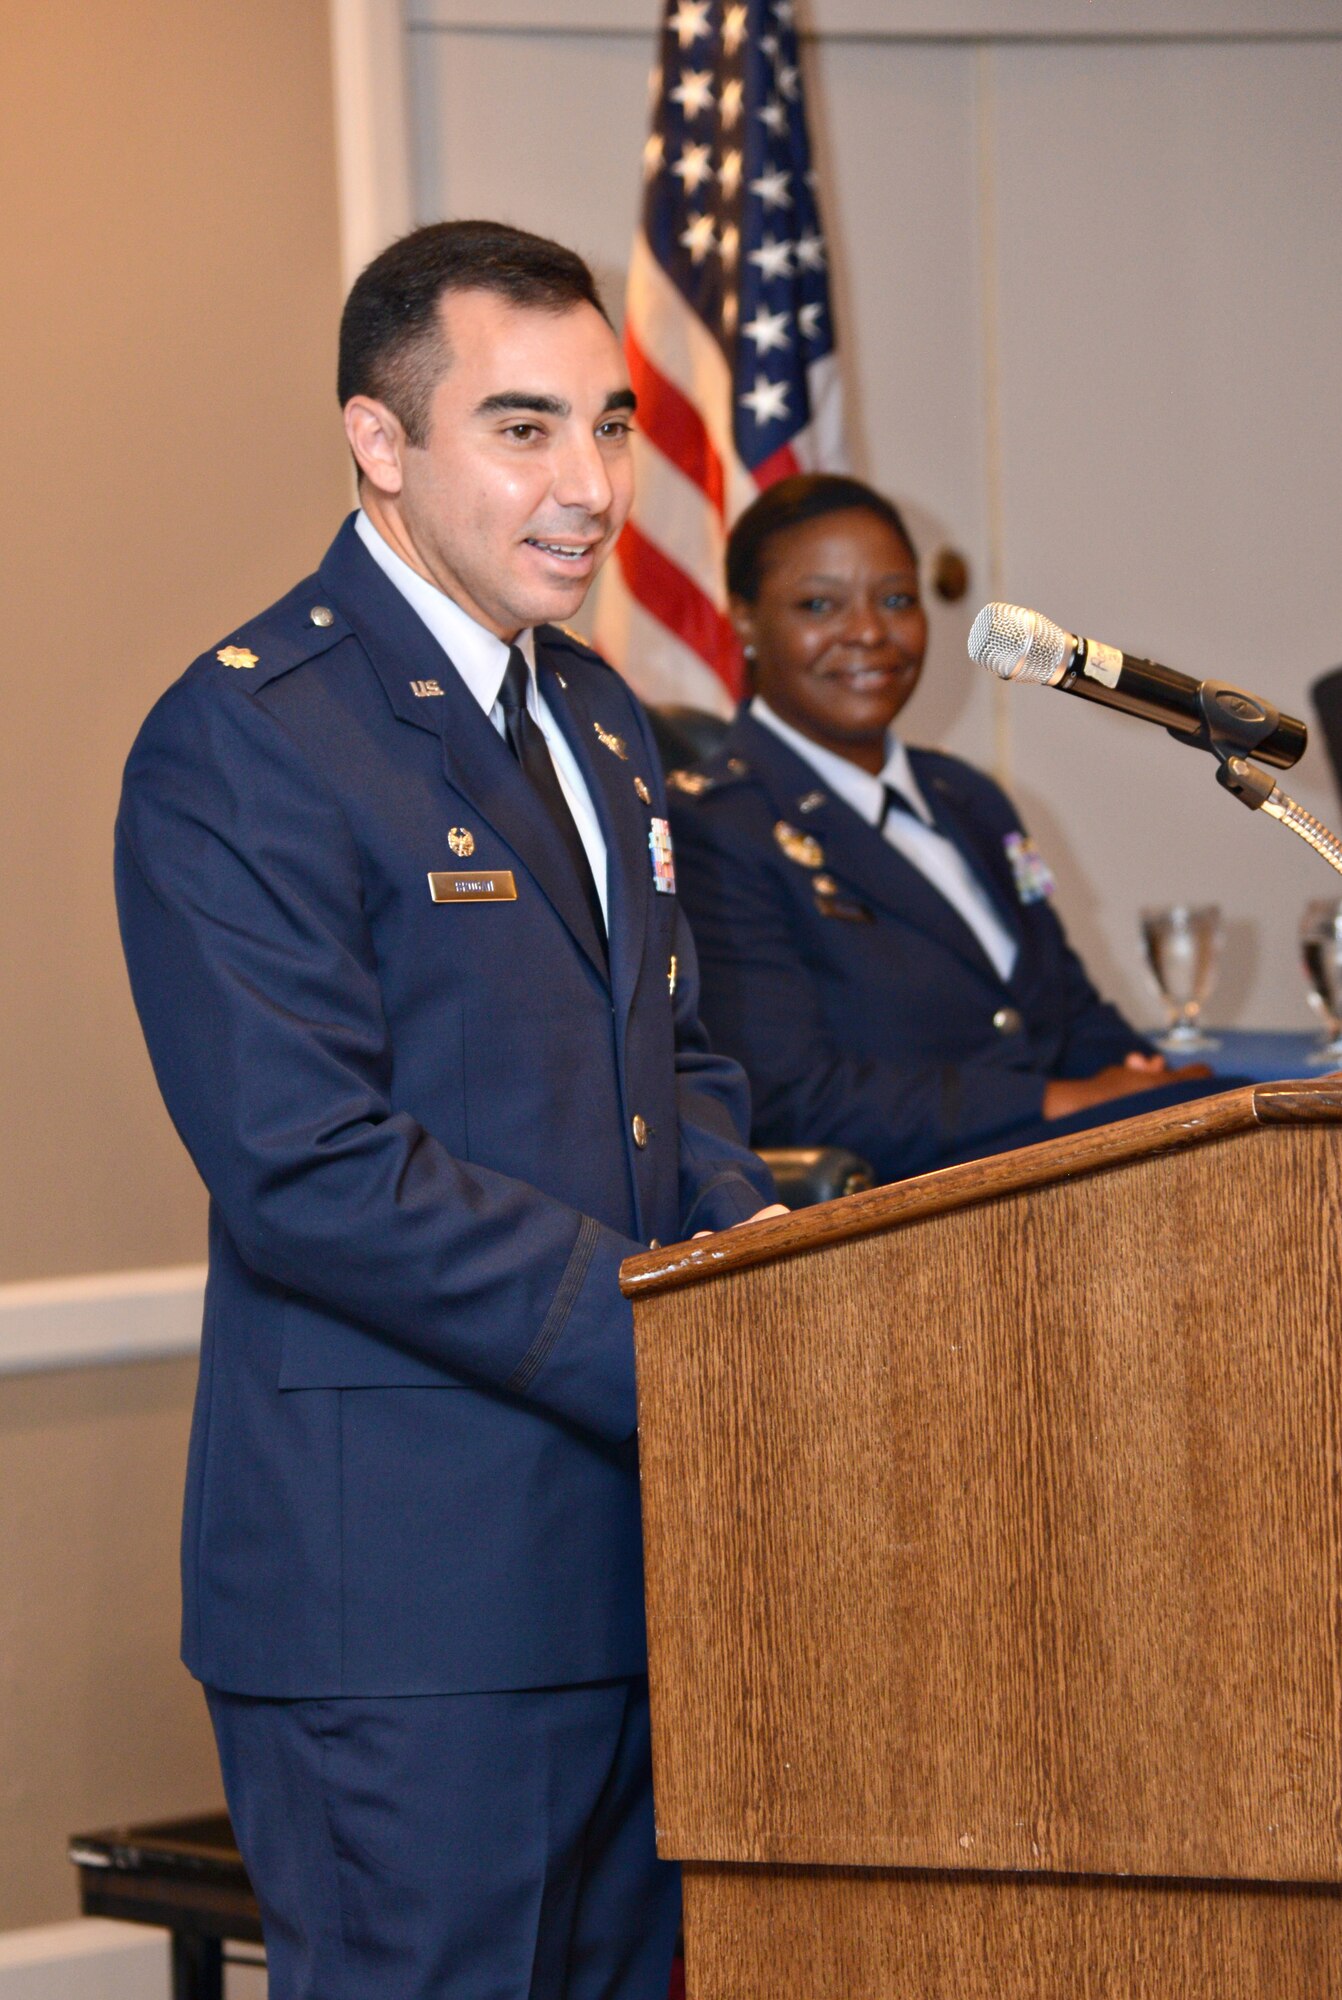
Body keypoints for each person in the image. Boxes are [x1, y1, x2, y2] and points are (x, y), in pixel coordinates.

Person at [115, 220, 782, 2000]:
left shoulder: (596, 713)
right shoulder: (249, 736)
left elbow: (673, 1065)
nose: (591, 486)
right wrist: (678, 1342)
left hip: (646, 1582)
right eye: (524, 429)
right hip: (405, 1609)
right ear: (379, 441)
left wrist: (765, 1263)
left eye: (613, 424)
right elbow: (308, 1171)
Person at [668, 474, 1225, 1185]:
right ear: (743, 619)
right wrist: (1063, 1099)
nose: (870, 631)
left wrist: (1139, 1077)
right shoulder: (715, 826)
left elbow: (1067, 1007)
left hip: (1076, 1174)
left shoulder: (971, 800)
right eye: (819, 605)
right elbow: (792, 1096)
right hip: (922, 1210)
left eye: (897, 600)